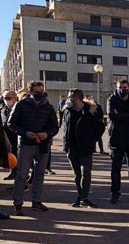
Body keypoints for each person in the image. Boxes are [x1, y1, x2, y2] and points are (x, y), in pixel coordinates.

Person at [8, 81, 59, 215]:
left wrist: (47, 134)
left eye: (42, 92)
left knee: (39, 174)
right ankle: (18, 204)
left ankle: (36, 201)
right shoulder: (21, 105)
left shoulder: (48, 107)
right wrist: (25, 133)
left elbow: (55, 126)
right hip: (26, 144)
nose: (40, 94)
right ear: (30, 92)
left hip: (43, 145)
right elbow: (11, 123)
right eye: (37, 92)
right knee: (22, 174)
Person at [61, 89, 104, 208]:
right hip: (71, 147)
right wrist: (66, 145)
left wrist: (91, 140)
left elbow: (100, 128)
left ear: (78, 98)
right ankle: (80, 197)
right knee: (77, 174)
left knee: (86, 173)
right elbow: (65, 127)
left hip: (85, 147)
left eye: (71, 97)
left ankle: (85, 197)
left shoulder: (90, 110)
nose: (68, 99)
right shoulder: (67, 110)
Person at [107, 79, 129, 203]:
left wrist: (121, 115)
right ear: (117, 88)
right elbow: (112, 116)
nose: (123, 89)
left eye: (125, 87)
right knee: (116, 168)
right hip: (117, 139)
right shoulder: (112, 100)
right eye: (120, 87)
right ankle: (115, 193)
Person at [1, 90, 18, 181]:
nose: (6, 100)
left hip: (17, 137)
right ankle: (13, 173)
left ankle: (21, 182)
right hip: (7, 138)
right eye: (4, 98)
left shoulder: (19, 108)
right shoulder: (4, 109)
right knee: (10, 157)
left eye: (8, 98)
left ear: (15, 98)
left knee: (18, 158)